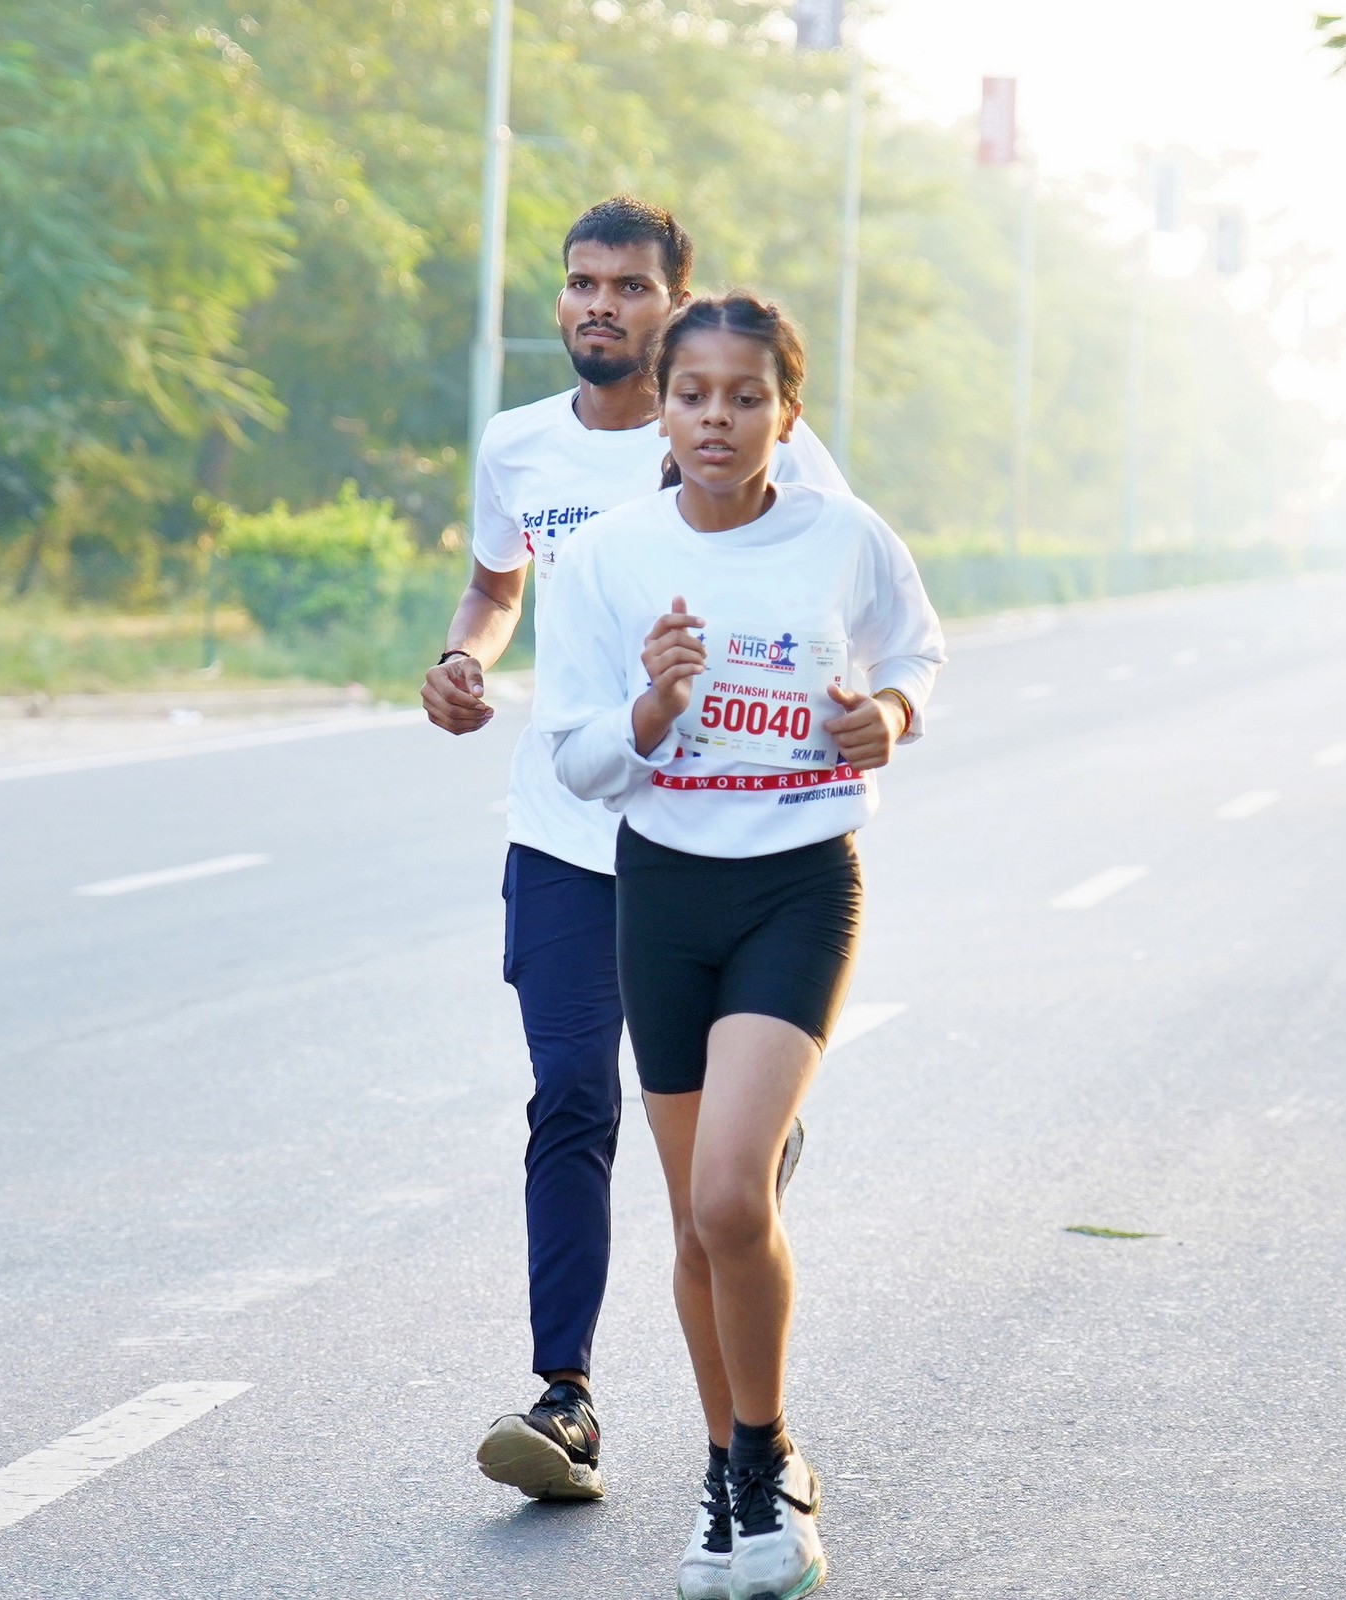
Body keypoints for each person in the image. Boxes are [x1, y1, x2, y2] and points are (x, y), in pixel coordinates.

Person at [421, 197, 844, 1505]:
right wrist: (464, 656)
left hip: (711, 841)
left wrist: (845, 713)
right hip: (564, 830)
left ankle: (754, 1433)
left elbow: (837, 578)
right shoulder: (516, 444)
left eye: (629, 285)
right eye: (580, 281)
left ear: (674, 306)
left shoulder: (741, 432)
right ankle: (566, 1399)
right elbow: (497, 585)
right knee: (569, 1094)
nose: (599, 303)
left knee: (711, 1180)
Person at [535, 293, 945, 1600]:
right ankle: (727, 1478)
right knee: (697, 1223)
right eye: (692, 394)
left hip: (798, 882)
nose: (717, 418)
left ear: (787, 411)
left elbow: (918, 653)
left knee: (727, 1195)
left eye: (745, 396)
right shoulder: (608, 559)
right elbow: (576, 758)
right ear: (660, 410)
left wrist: (892, 711)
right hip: (663, 889)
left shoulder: (844, 536)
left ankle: (766, 1463)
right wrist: (651, 706)